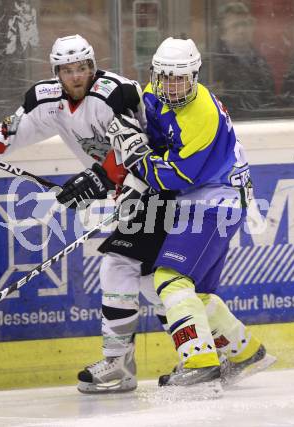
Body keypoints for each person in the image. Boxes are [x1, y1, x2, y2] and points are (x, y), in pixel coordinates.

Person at [0, 34, 169, 394]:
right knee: (147, 278)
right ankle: (217, 347)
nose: (77, 77)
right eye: (67, 70)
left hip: (155, 187)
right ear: (56, 72)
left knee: (124, 268)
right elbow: (13, 129)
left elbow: (133, 143)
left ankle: (129, 363)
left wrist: (97, 177)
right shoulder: (47, 100)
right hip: (128, 196)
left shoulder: (115, 93)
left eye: (83, 68)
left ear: (92, 67)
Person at [95, 37, 277, 394]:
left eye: (182, 78)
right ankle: (245, 353)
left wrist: (136, 160)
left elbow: (174, 176)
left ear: (195, 75)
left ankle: (200, 364)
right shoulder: (154, 90)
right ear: (155, 74)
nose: (173, 86)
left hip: (215, 204)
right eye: (166, 77)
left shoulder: (202, 116)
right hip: (201, 203)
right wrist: (125, 120)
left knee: (169, 279)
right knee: (196, 295)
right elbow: (150, 132)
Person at [211, 2, 277, 119]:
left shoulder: (260, 61)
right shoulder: (213, 64)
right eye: (235, 25)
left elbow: (270, 98)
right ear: (222, 33)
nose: (241, 30)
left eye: (245, 24)